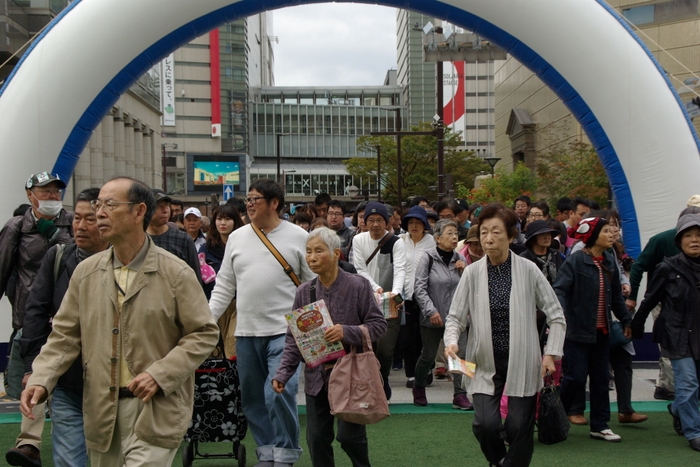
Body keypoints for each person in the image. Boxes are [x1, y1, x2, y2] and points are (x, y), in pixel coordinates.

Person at [20, 176, 219, 467]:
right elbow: (64, 336)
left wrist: (160, 374)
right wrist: (41, 378)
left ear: (139, 211)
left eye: (110, 205)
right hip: (101, 412)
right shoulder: (86, 273)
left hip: (156, 409)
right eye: (98, 204)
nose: (99, 212)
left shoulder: (175, 273)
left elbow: (203, 333)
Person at [444, 204, 566, 467]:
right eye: (484, 232)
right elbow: (455, 316)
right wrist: (451, 342)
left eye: (496, 232)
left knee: (518, 427)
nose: (488, 239)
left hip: (522, 361)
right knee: (484, 425)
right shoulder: (473, 273)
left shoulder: (528, 270)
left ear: (511, 236)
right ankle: (499, 460)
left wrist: (551, 355)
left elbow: (556, 315)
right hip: (483, 361)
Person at [208, 178, 314, 467]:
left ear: (274, 203)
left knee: (278, 392)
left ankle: (286, 453)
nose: (249, 205)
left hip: (286, 331)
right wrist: (206, 321)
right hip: (246, 332)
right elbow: (224, 286)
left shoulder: (298, 237)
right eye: (248, 200)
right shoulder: (237, 238)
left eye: (255, 199)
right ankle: (267, 453)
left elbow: (311, 286)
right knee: (253, 399)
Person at [272, 227, 387, 467]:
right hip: (317, 377)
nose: (311, 257)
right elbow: (294, 338)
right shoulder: (304, 292)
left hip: (351, 375)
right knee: (317, 439)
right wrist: (283, 373)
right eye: (308, 252)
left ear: (336, 254)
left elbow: (378, 325)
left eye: (318, 251)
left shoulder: (358, 286)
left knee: (350, 437)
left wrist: (348, 331)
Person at [17, 188, 109, 467]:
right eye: (77, 218)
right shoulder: (58, 258)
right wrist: (34, 366)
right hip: (67, 379)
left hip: (113, 382)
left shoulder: (124, 265)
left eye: (89, 219)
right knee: (69, 459)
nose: (80, 226)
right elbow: (35, 311)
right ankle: (27, 443)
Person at [2, 171, 73, 467]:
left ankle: (68, 443)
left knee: (68, 383)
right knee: (34, 375)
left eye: (56, 192)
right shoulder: (16, 228)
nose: (52, 197)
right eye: (45, 192)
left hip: (68, 317)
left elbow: (80, 252)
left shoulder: (72, 222)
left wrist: (55, 233)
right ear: (30, 194)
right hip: (30, 317)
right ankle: (29, 443)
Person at [553, 216, 632, 442]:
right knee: (575, 377)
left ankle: (600, 425)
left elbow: (616, 297)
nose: (612, 234)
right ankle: (555, 413)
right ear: (594, 235)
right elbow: (560, 289)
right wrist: (560, 314)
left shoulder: (609, 260)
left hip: (602, 332)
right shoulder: (576, 260)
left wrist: (627, 320)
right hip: (577, 330)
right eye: (606, 231)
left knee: (600, 380)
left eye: (613, 230)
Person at [632, 214, 700, 452]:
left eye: (699, 236)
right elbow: (650, 299)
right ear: (679, 240)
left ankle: (678, 408)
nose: (695, 240)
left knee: (695, 386)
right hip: (677, 333)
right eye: (689, 236)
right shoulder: (667, 268)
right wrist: (637, 325)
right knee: (688, 383)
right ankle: (694, 432)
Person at [626, 201, 700, 401]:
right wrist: (633, 298)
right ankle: (670, 388)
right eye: (689, 234)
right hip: (667, 303)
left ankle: (679, 399)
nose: (694, 239)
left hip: (693, 309)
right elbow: (639, 266)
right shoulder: (662, 241)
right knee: (674, 353)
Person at [413, 219, 472, 410]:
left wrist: (465, 272)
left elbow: (469, 290)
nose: (455, 237)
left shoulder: (460, 259)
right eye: (449, 233)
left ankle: (460, 395)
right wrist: (430, 311)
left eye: (456, 233)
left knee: (460, 356)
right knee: (428, 356)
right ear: (438, 238)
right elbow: (419, 288)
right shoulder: (427, 258)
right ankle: (419, 386)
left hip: (457, 318)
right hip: (433, 317)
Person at [351, 202, 406, 400]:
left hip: (390, 303)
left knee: (385, 350)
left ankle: (382, 381)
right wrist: (375, 288)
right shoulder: (358, 240)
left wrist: (396, 292)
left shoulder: (396, 242)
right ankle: (374, 389)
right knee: (368, 349)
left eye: (380, 220)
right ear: (364, 222)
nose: (375, 224)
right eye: (371, 220)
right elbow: (359, 269)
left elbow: (401, 269)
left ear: (387, 222)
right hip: (365, 302)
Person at [398, 206, 435, 388]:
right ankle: (411, 373)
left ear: (424, 225)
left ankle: (426, 370)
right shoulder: (399, 241)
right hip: (404, 296)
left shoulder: (432, 243)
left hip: (426, 296)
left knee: (423, 337)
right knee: (406, 338)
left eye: (418, 222)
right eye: (411, 222)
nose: (414, 226)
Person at [147, 189, 202, 283]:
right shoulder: (136, 239)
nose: (165, 210)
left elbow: (195, 278)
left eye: (167, 206)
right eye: (159, 206)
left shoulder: (183, 239)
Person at [198, 203, 244, 299]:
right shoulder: (206, 248)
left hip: (239, 301)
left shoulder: (244, 246)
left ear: (235, 221)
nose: (223, 223)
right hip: (212, 300)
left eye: (227, 219)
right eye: (219, 219)